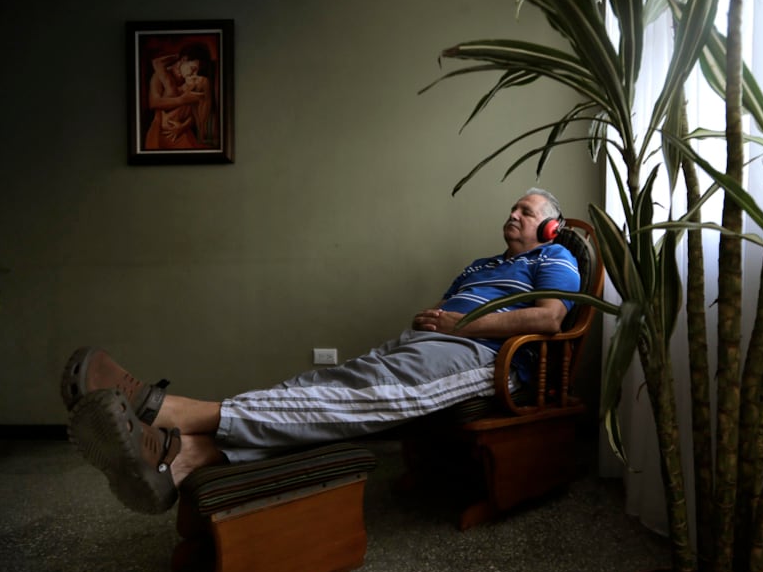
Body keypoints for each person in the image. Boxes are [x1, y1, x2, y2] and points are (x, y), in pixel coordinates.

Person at [62, 189, 581, 514]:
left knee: (355, 396)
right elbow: (448, 310)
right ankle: (181, 462)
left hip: (488, 359)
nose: (513, 214)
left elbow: (549, 318)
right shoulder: (480, 264)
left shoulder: (553, 256)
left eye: (526, 211)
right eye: (512, 208)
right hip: (429, 343)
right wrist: (434, 319)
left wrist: (460, 324)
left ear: (550, 226)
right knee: (323, 385)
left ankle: (172, 411)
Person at [144, 43, 216, 150]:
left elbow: (196, 113)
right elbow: (153, 103)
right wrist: (182, 99)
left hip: (181, 131)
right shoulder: (159, 76)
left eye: (197, 71)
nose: (194, 74)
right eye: (193, 68)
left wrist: (182, 127)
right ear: (183, 60)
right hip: (160, 132)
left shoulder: (194, 81)